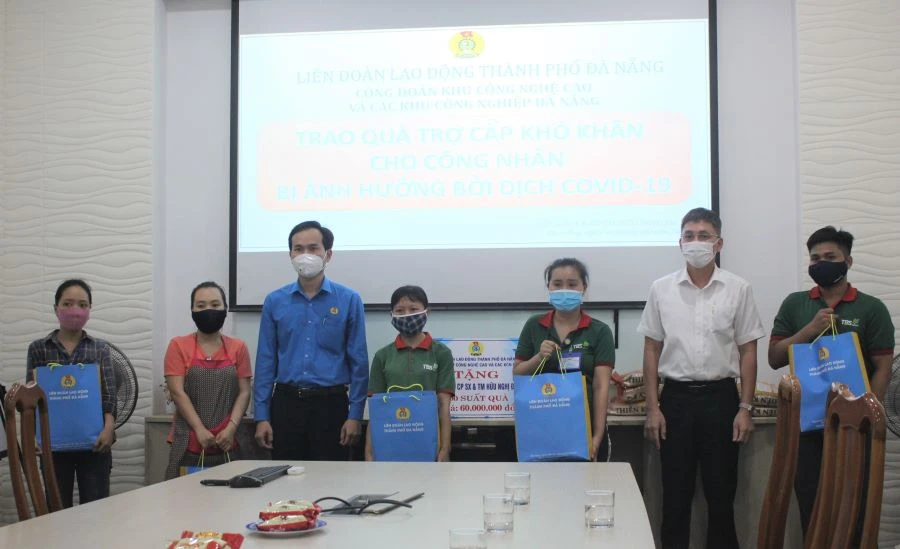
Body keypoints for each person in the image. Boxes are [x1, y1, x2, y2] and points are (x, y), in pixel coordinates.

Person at [639, 208, 764, 549]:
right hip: (675, 401)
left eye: (704, 236)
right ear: (680, 243)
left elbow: (748, 350)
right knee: (674, 497)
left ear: (718, 243)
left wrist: (745, 408)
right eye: (689, 236)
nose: (696, 242)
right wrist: (653, 408)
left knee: (721, 498)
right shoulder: (661, 289)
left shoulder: (738, 288)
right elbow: (651, 349)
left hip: (721, 400)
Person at [768, 226, 895, 537]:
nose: (821, 263)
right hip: (807, 426)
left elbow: (883, 366)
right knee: (811, 506)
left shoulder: (872, 308)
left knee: (855, 508)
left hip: (855, 427)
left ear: (847, 261)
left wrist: (870, 412)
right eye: (815, 258)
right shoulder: (795, 304)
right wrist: (809, 330)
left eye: (830, 257)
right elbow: (775, 357)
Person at [254, 220, 369, 460]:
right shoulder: (275, 301)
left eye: (313, 248)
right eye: (298, 249)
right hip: (286, 403)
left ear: (328, 254)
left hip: (331, 405)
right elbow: (265, 361)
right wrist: (261, 416)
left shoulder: (349, 300)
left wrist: (355, 415)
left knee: (331, 478)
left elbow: (359, 362)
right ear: (290, 255)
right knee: (287, 476)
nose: (305, 254)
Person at [25, 279, 117, 508]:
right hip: (53, 447)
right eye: (67, 303)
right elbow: (30, 399)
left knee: (96, 509)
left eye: (82, 304)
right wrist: (32, 436)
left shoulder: (100, 349)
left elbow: (109, 396)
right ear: (56, 308)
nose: (75, 310)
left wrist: (108, 428)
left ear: (89, 310)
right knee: (56, 510)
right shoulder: (38, 349)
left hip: (95, 444)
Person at [513, 258, 615, 461]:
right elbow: (517, 373)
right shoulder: (534, 325)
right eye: (557, 284)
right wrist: (538, 358)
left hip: (583, 429)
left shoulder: (599, 331)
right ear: (548, 287)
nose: (564, 290)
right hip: (540, 428)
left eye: (572, 284)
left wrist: (596, 436)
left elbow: (601, 386)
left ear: (584, 288)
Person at [163, 281, 252, 479]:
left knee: (234, 494)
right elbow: (177, 392)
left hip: (230, 440)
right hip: (188, 440)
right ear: (192, 310)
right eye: (201, 306)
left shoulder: (238, 347)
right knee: (185, 495)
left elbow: (245, 391)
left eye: (215, 304)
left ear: (225, 309)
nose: (208, 310)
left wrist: (231, 428)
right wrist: (199, 429)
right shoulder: (178, 345)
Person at [365, 285, 455, 462]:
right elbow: (376, 409)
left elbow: (444, 406)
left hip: (428, 441)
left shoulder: (441, 353)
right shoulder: (382, 356)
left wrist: (445, 448)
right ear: (391, 315)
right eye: (400, 310)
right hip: (389, 439)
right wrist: (369, 451)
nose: (407, 315)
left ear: (427, 312)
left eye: (413, 309)